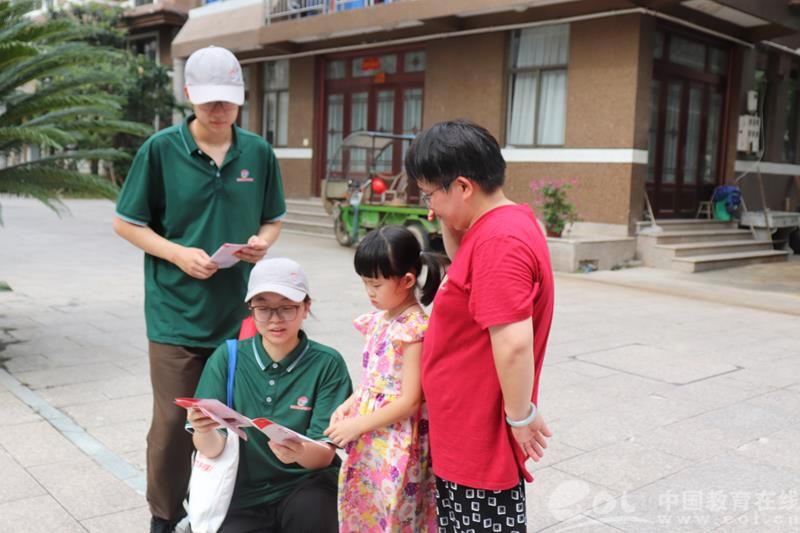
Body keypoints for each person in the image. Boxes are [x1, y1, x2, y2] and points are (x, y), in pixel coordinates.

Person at [112, 45, 286, 533]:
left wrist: (262, 242)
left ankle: (231, 510)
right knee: (174, 424)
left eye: (228, 99)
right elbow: (126, 223)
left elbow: (272, 218)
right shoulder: (160, 150)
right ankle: (166, 516)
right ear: (188, 94)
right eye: (209, 99)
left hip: (239, 313)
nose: (219, 109)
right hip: (175, 314)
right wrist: (177, 254)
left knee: (240, 418)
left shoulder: (258, 153)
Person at [404, 119, 555, 532]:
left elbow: (514, 344)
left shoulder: (499, 243)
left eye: (430, 194)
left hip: (478, 440)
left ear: (463, 186)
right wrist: (448, 218)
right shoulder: (499, 225)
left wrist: (520, 418)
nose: (429, 206)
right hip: (464, 430)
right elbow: (465, 273)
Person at [188, 257, 352, 533]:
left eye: (287, 307)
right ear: (251, 311)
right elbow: (212, 449)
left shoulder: (327, 363)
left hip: (306, 484)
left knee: (314, 512)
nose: (275, 319)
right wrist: (203, 430)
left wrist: (300, 452)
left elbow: (324, 455)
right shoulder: (227, 358)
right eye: (263, 308)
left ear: (306, 308)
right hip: (239, 493)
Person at [324, 225, 448, 532]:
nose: (369, 292)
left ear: (407, 280)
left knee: (393, 512)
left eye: (376, 284)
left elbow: (410, 401)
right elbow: (372, 381)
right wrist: (349, 405)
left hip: (396, 440)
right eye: (365, 283)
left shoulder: (413, 329)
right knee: (369, 509)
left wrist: (357, 425)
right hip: (372, 433)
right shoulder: (379, 320)